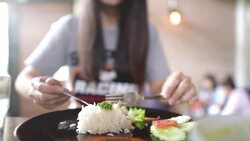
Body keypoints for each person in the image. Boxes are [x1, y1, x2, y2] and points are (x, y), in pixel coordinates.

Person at [15, 0, 197, 110]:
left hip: (131, 130)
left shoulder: (147, 32)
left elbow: (160, 88)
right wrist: (34, 88)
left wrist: (176, 87)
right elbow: (23, 78)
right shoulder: (69, 27)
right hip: (78, 129)